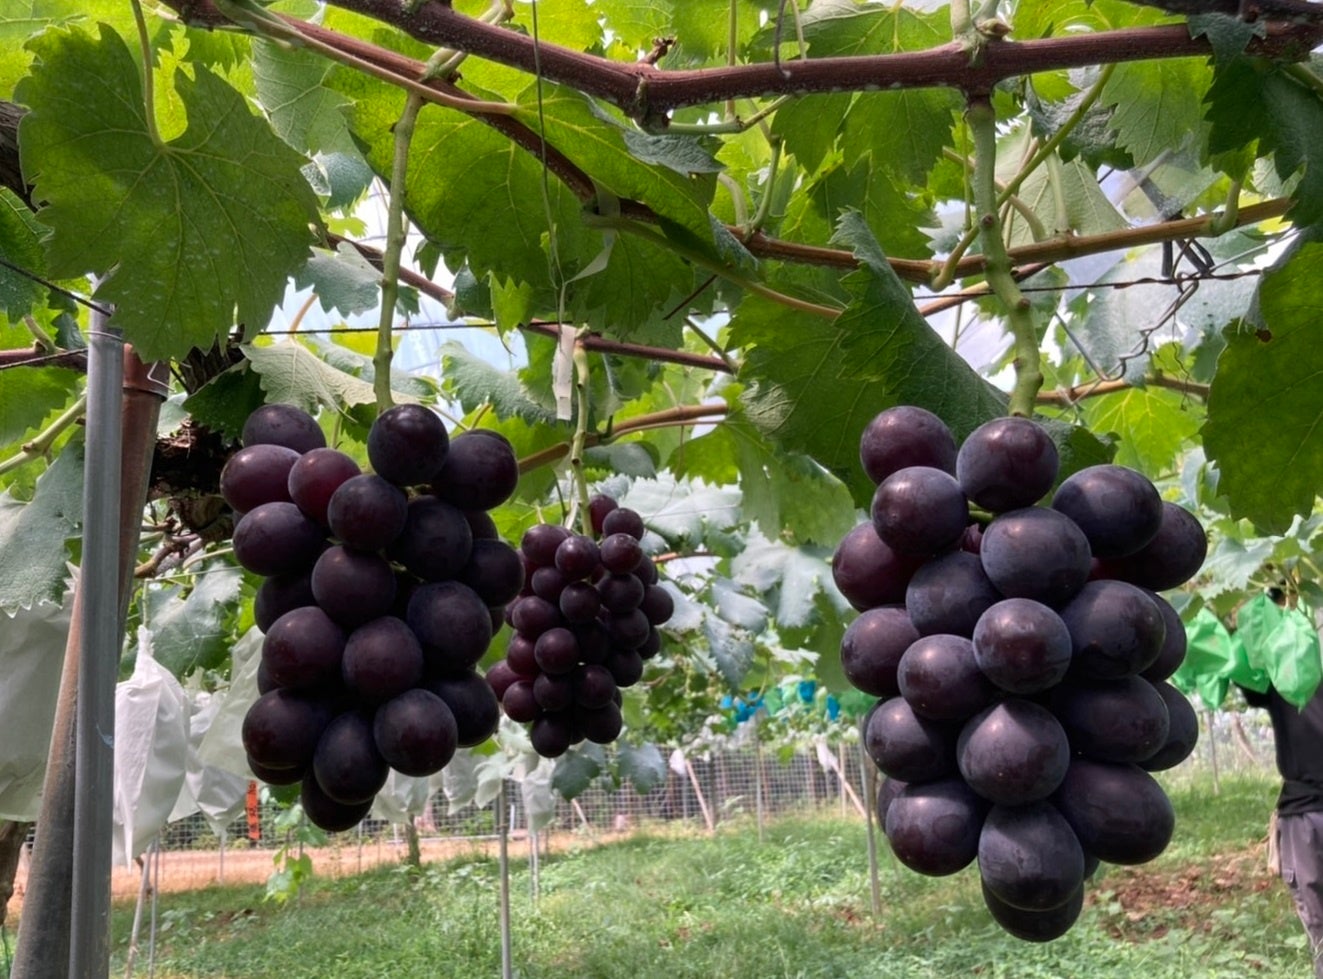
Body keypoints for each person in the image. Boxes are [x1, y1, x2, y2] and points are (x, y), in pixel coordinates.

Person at [1239, 588, 1323, 978]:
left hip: (1303, 814)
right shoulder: (1285, 671)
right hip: (1302, 811)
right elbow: (1248, 669)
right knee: (1317, 916)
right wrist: (1265, 603)